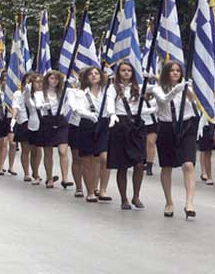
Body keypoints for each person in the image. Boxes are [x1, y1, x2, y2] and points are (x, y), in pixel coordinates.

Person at [152, 61, 198, 219]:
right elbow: (163, 100)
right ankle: (169, 202)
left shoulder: (185, 87)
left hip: (186, 126)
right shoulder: (157, 88)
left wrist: (188, 90)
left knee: (188, 164)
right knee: (167, 166)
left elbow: (195, 103)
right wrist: (177, 90)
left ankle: (189, 202)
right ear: (166, 73)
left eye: (178, 70)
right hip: (166, 127)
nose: (175, 73)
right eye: (172, 71)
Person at [107, 62, 153, 210]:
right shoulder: (113, 88)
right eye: (123, 70)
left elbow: (149, 100)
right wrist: (112, 114)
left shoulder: (138, 88)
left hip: (136, 125)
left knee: (139, 164)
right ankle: (124, 198)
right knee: (122, 165)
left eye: (129, 70)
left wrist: (153, 79)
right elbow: (109, 103)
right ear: (118, 73)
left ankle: (136, 196)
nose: (126, 73)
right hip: (120, 124)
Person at [73, 67, 111, 202]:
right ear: (85, 77)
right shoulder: (79, 93)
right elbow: (77, 108)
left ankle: (103, 189)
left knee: (105, 158)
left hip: (104, 124)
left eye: (96, 73)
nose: (94, 76)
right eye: (90, 74)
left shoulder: (107, 91)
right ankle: (90, 191)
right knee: (88, 160)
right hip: (87, 124)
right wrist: (90, 115)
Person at [39, 70, 71, 188]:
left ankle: (65, 178)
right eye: (52, 78)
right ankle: (49, 178)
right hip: (47, 121)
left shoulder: (64, 92)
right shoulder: (41, 93)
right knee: (48, 152)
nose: (54, 81)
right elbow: (37, 104)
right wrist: (42, 106)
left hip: (61, 122)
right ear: (47, 79)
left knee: (63, 151)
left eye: (56, 79)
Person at [12, 72, 35, 181]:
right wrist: (13, 118)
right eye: (28, 80)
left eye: (32, 81)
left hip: (35, 122)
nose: (30, 83)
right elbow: (16, 106)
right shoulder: (18, 93)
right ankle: (27, 173)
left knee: (36, 149)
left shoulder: (39, 94)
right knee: (25, 149)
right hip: (23, 121)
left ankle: (36, 172)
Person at [142, 93, 158, 176]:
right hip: (141, 121)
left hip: (153, 121)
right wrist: (153, 109)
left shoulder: (157, 91)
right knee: (142, 144)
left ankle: (149, 166)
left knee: (151, 143)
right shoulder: (138, 91)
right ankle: (141, 161)